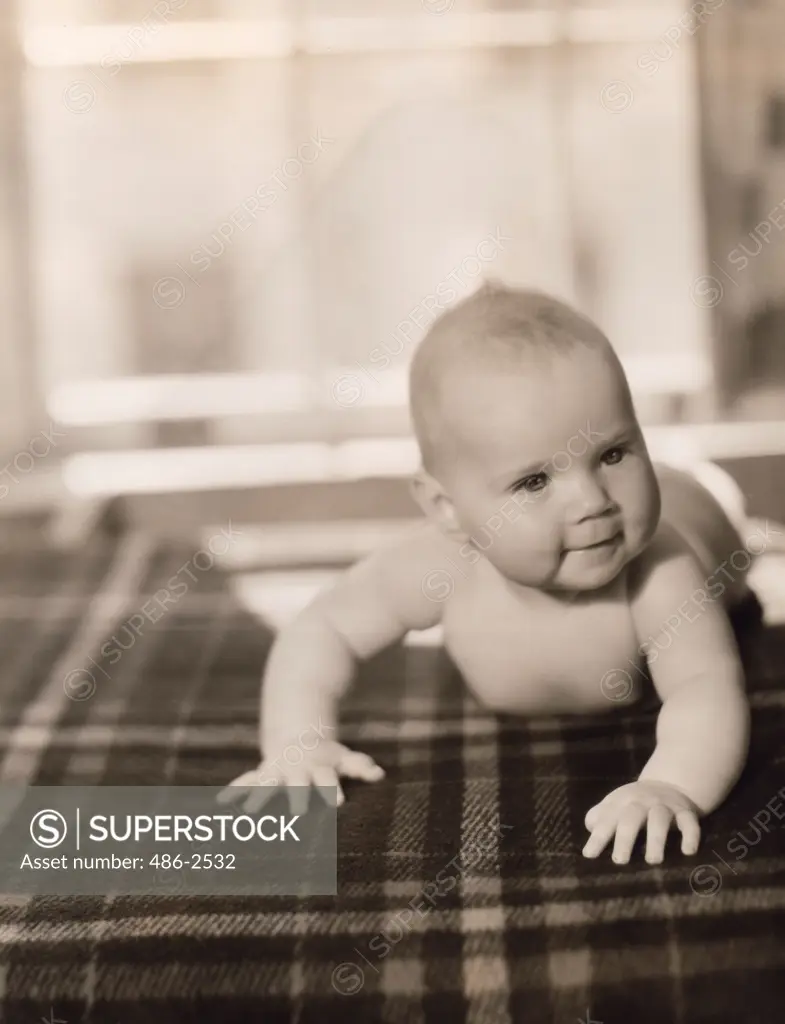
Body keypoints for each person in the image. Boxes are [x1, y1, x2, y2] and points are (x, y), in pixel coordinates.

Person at [220, 282, 768, 865]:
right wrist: (297, 739)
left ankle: (712, 485)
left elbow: (704, 689)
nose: (592, 501)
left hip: (700, 516)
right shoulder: (442, 566)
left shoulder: (659, 571)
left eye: (613, 453)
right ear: (447, 510)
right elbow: (322, 627)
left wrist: (671, 783)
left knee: (714, 506)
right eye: (534, 481)